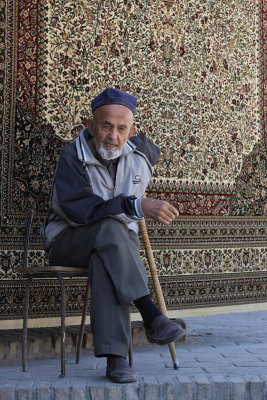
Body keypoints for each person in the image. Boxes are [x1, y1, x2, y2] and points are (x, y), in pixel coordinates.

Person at [41, 88, 186, 383]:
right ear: (91, 126)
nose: (113, 135)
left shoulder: (138, 156)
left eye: (122, 128)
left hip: (114, 246)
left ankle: (116, 360)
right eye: (106, 126)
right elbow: (80, 211)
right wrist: (135, 204)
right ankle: (150, 314)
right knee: (108, 229)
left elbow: (149, 151)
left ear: (131, 131)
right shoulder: (72, 157)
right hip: (68, 240)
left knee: (105, 259)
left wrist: (145, 160)